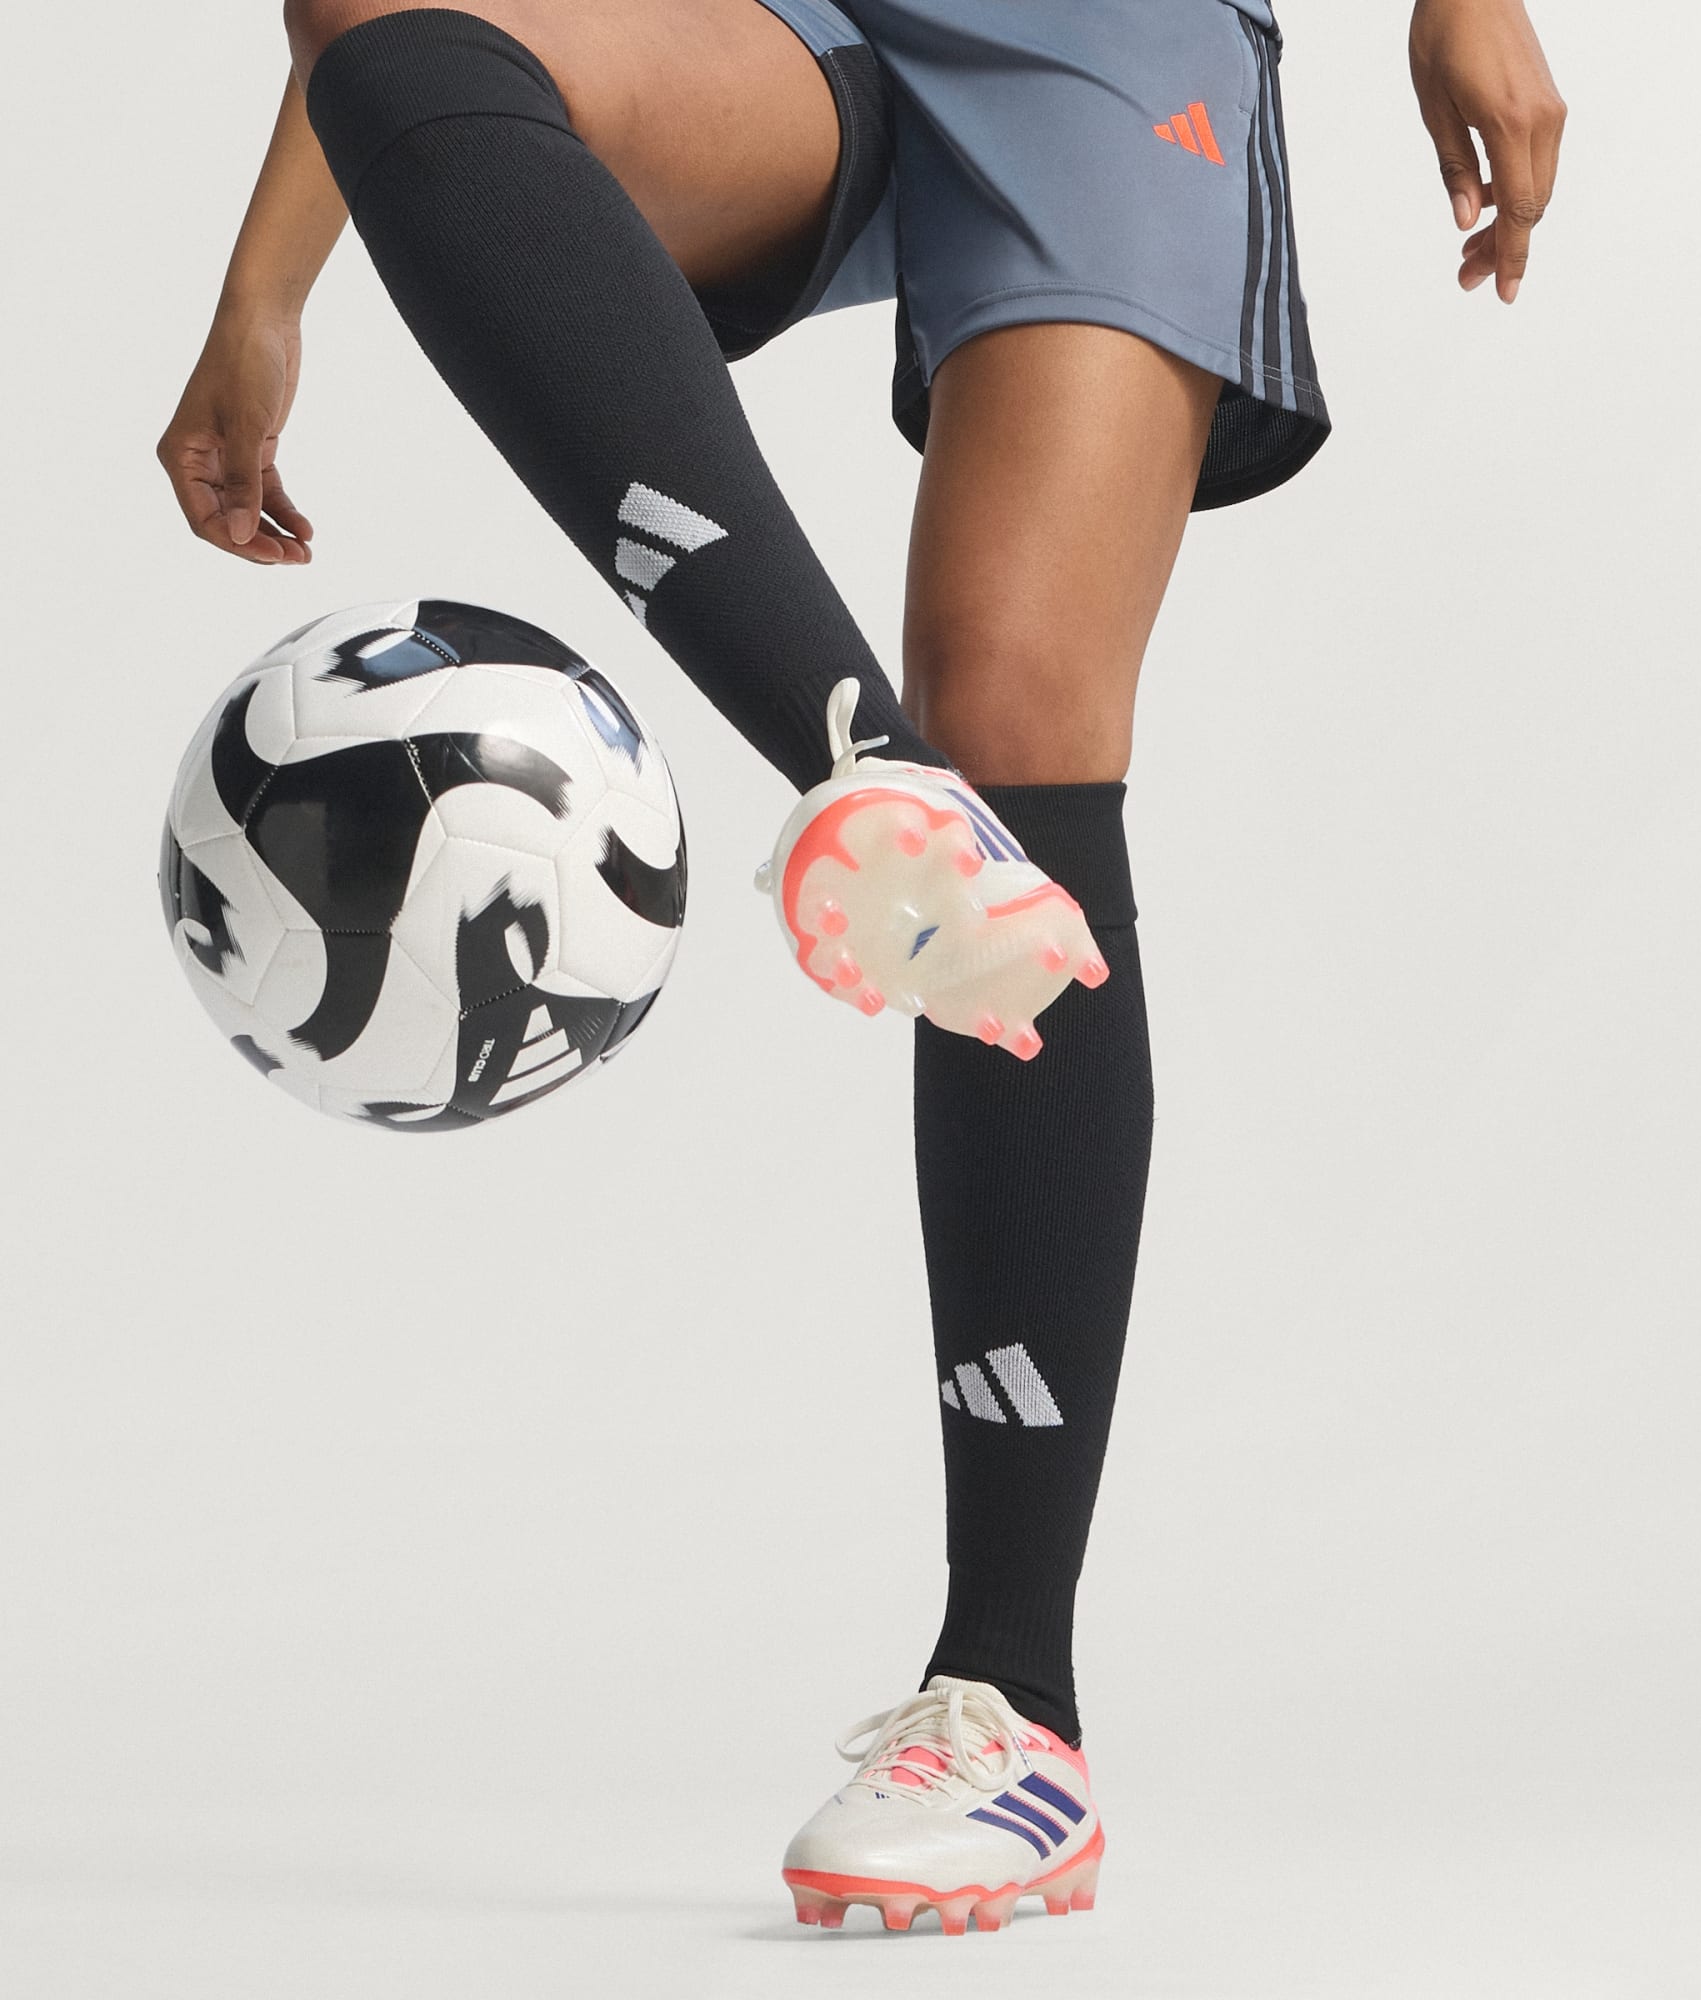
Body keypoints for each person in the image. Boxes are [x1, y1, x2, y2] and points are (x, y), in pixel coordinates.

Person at [157, 0, 1565, 1936]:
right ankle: (864, 773)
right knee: (386, 37)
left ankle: (1013, 1711)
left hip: (1104, 37)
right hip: (789, 30)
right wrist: (265, 290)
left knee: (1019, 713)